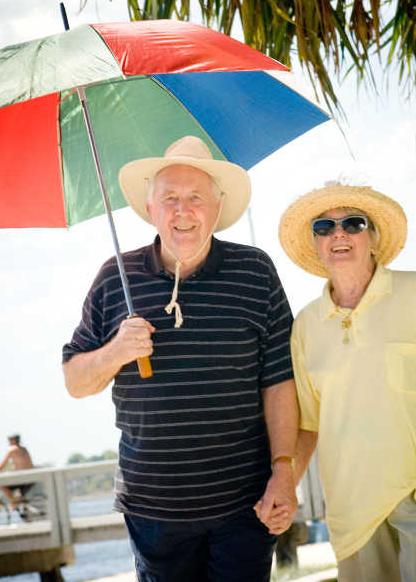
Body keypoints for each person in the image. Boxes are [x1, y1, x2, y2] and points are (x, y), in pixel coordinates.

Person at [62, 136, 298, 581]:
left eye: (195, 198)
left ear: (216, 207)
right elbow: (75, 381)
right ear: (151, 209)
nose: (182, 211)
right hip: (155, 512)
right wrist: (117, 351)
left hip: (244, 503)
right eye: (169, 198)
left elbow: (279, 381)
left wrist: (284, 471)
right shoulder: (116, 278)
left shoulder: (255, 271)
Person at [275, 182, 416, 582]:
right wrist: (285, 487)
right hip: (351, 506)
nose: (338, 233)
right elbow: (307, 425)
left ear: (373, 238)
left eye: (353, 223)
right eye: (324, 227)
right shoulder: (304, 324)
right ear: (317, 245)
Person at [0, 433, 34, 518]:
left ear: (13, 440)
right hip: (31, 478)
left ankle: (15, 504)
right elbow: (23, 465)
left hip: (22, 479)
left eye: (10, 440)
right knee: (20, 495)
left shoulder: (12, 449)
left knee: (3, 486)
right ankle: (25, 511)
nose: (9, 442)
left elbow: (3, 464)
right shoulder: (24, 449)